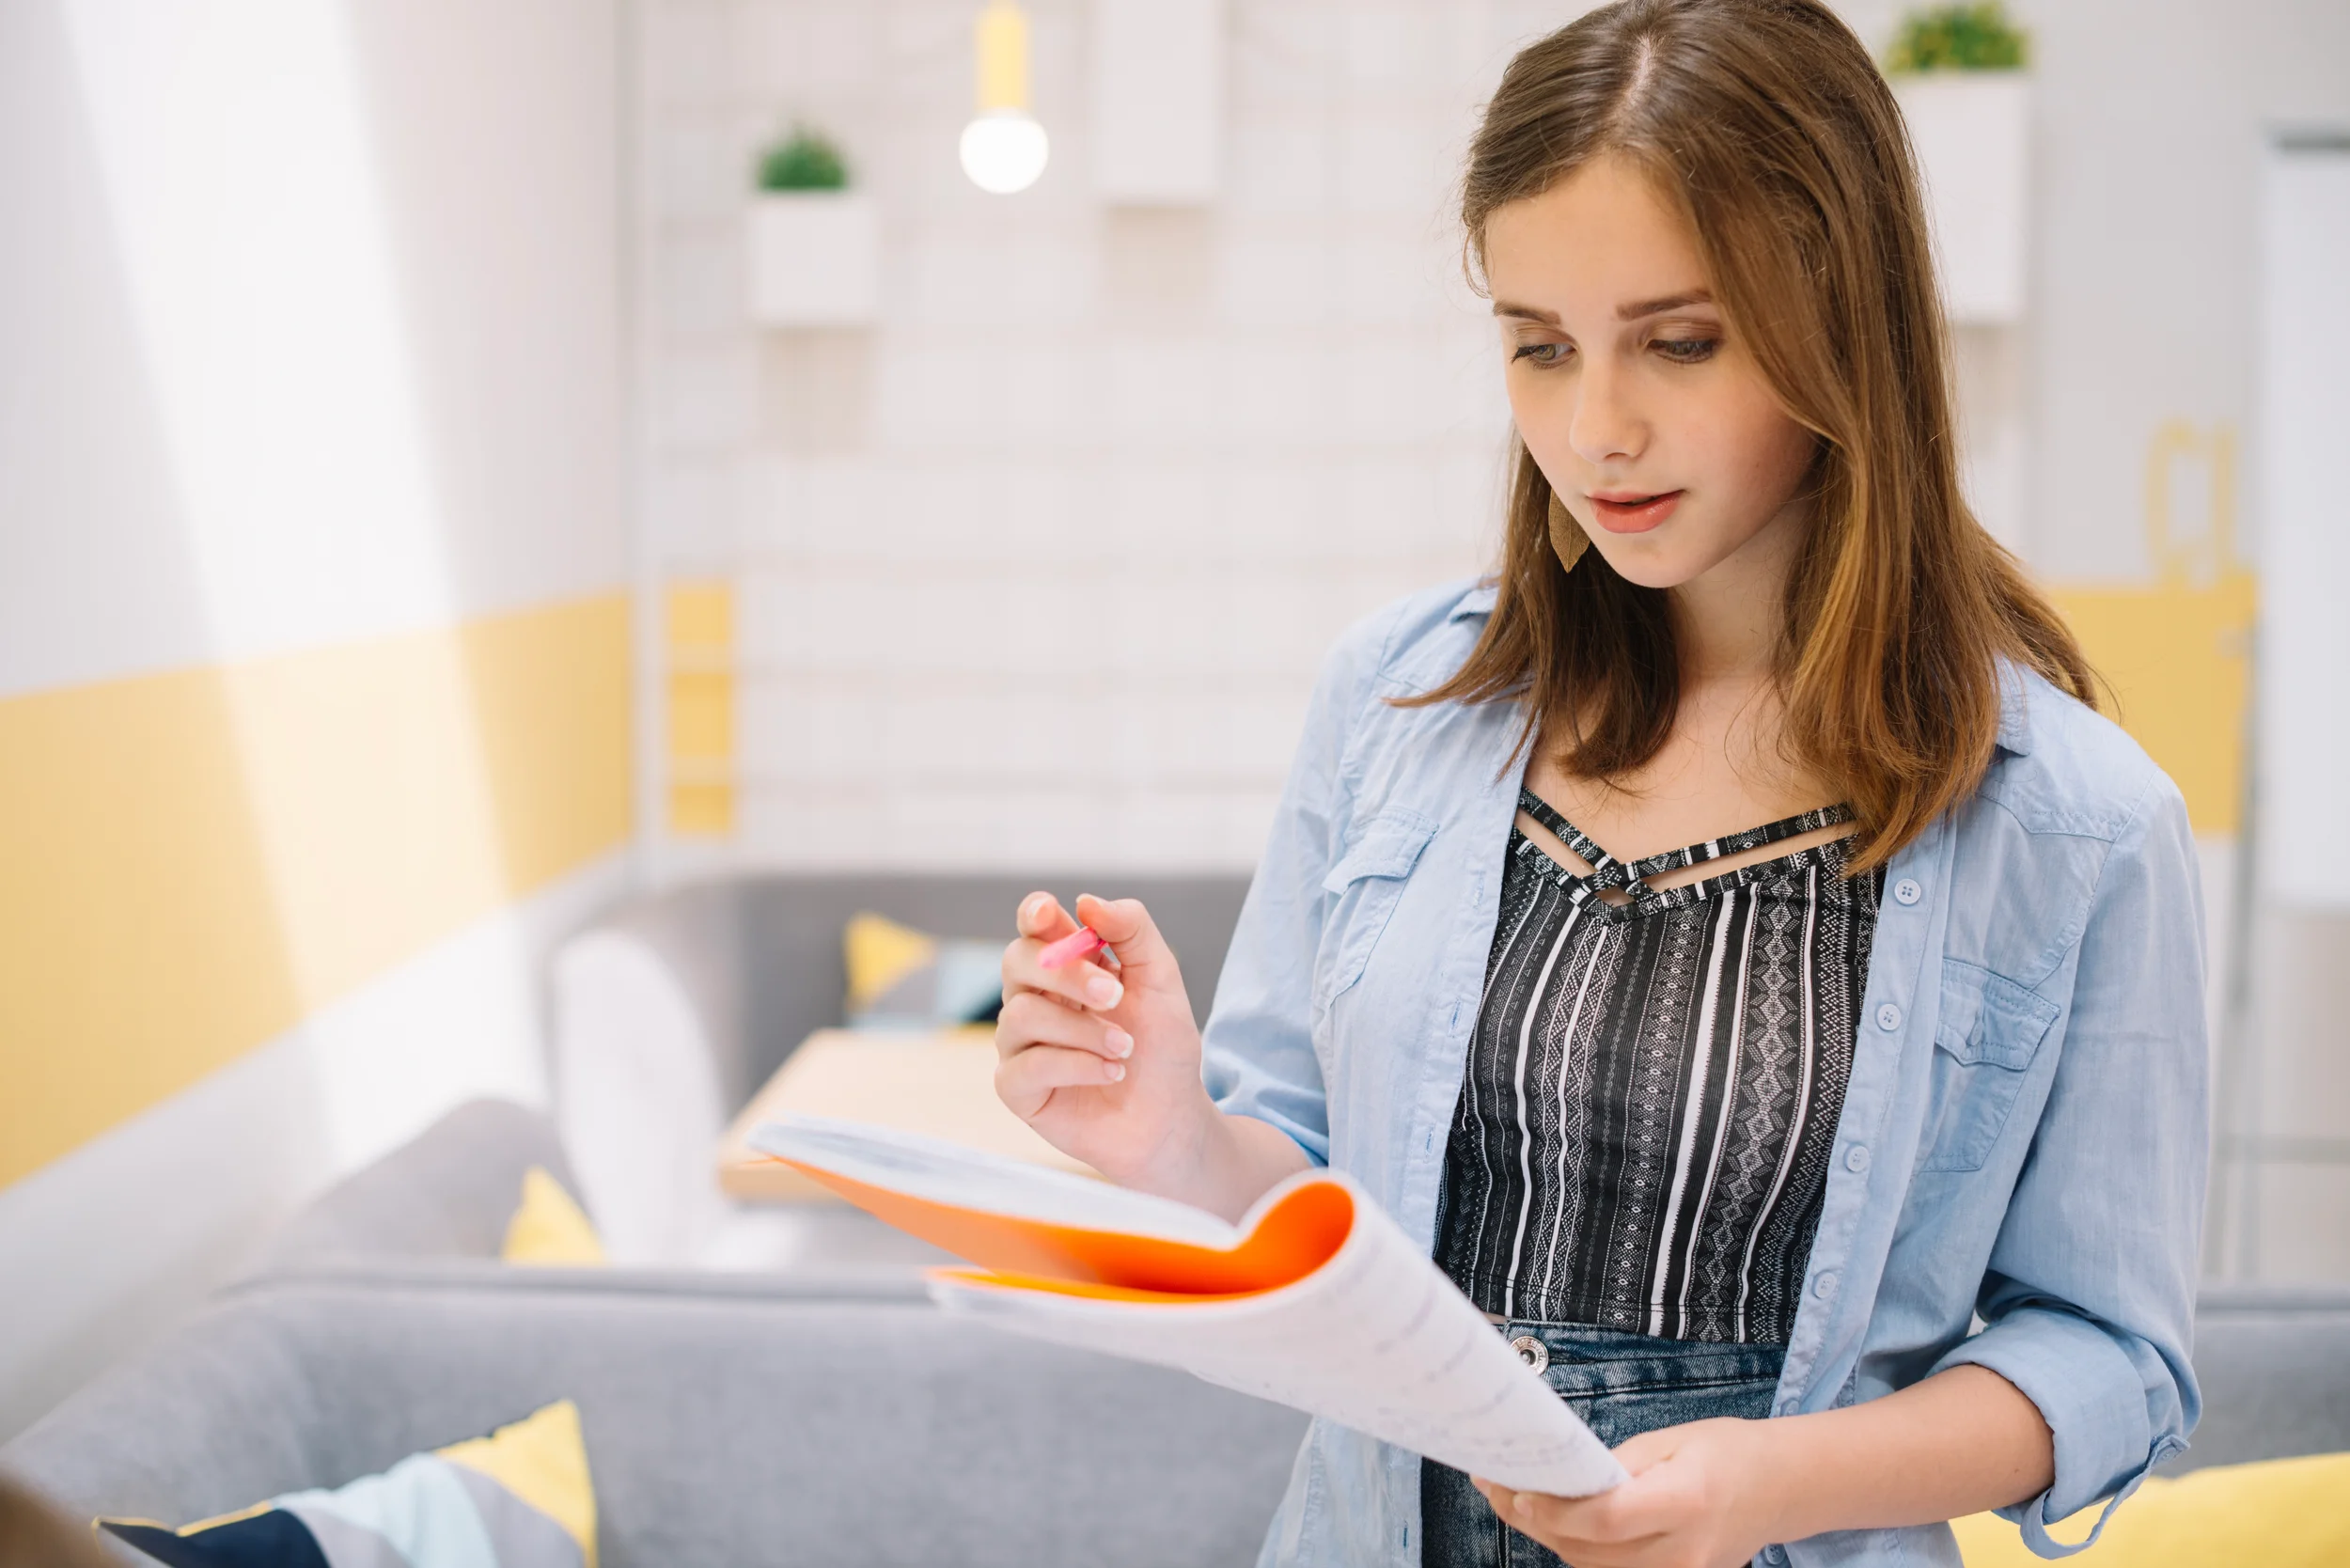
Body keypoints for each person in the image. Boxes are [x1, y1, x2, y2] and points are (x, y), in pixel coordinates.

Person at [992, 2, 2206, 1564]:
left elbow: (2114, 1357)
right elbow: (1304, 1198)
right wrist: (1167, 1132)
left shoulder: (2076, 823)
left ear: (1842, 320)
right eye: (1539, 347)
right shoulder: (1397, 700)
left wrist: (1771, 1485)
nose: (1596, 428)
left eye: (1679, 342)